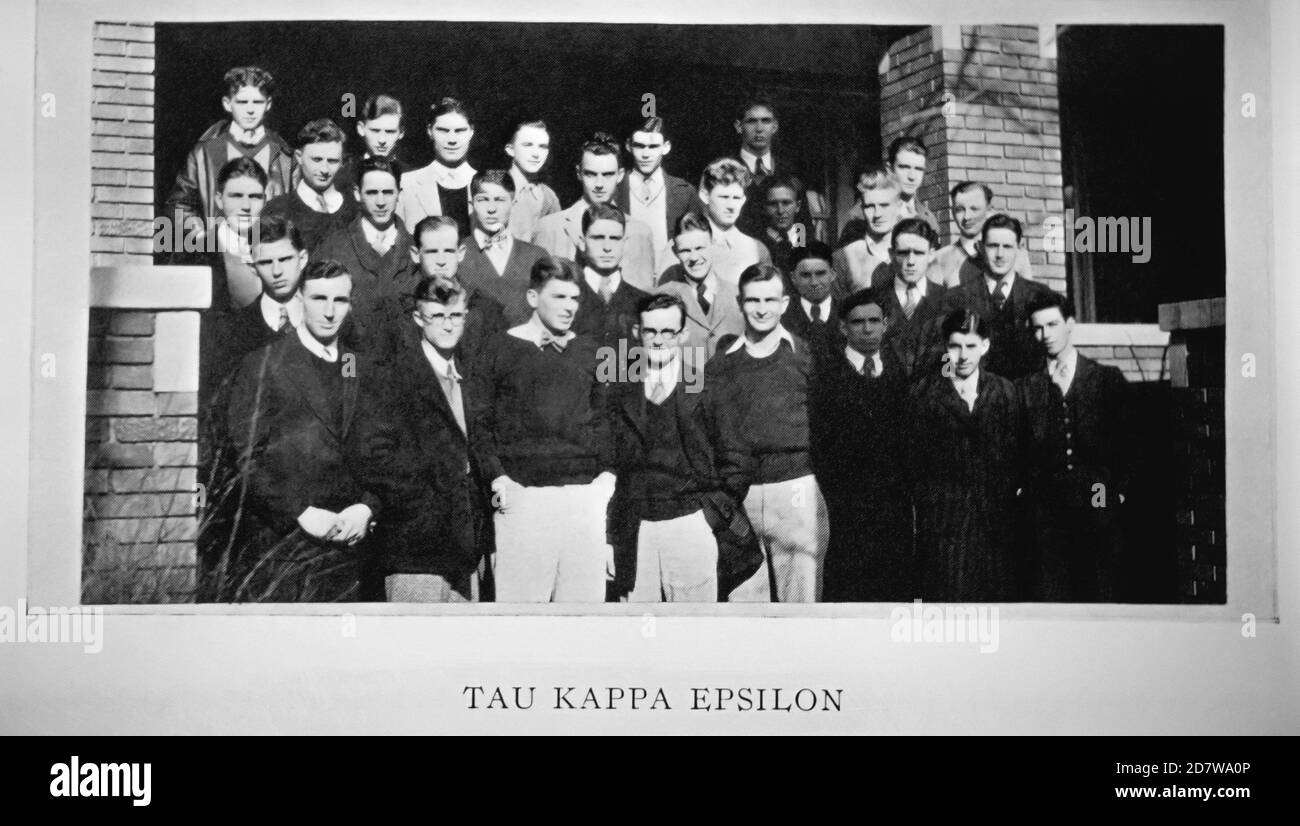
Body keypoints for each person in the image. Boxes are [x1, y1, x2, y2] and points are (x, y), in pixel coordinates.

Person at [220, 260, 385, 602]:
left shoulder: (358, 365)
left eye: (340, 300)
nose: (329, 311)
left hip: (354, 548)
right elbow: (248, 458)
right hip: (286, 548)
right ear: (299, 301)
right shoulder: (263, 363)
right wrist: (301, 513)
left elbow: (384, 448)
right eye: (318, 299)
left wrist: (368, 507)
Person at [465, 256, 616, 603]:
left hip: (583, 501)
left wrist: (605, 481)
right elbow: (480, 422)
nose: (569, 307)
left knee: (583, 621)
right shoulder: (498, 348)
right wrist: (498, 478)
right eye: (558, 297)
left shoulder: (593, 350)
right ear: (533, 298)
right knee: (522, 621)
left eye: (574, 298)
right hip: (524, 500)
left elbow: (607, 419)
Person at [701, 263, 828, 602]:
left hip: (795, 491)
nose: (761, 308)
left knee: (801, 606)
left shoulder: (805, 356)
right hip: (739, 498)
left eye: (770, 300)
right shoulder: (720, 365)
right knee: (743, 606)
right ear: (740, 302)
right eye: (753, 300)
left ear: (785, 303)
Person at [367, 277, 487, 602]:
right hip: (415, 548)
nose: (448, 326)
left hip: (466, 548)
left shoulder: (471, 373)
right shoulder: (394, 376)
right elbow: (377, 456)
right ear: (419, 318)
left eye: (456, 316)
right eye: (437, 316)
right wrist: (419, 505)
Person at [607, 292, 724, 603]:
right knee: (639, 630)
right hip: (637, 528)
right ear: (637, 333)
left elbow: (734, 458)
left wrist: (709, 518)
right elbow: (608, 462)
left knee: (694, 630)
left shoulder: (704, 386)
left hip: (689, 523)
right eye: (650, 331)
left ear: (683, 335)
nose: (658, 341)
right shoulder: (620, 390)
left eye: (667, 332)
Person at [904, 308, 1023, 602]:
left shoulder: (1004, 391)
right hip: (945, 524)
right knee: (949, 604)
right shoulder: (924, 394)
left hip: (995, 523)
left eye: (971, 346)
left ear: (985, 346)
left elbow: (1016, 452)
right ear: (945, 348)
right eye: (955, 346)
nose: (963, 355)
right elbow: (913, 460)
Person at [1018, 291, 1131, 601]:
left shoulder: (1105, 379)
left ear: (1070, 324)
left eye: (1053, 325)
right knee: (1053, 594)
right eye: (1038, 328)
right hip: (1047, 517)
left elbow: (1129, 445)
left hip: (1098, 509)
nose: (1045, 335)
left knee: (1101, 592)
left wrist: (1118, 492)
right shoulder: (1026, 388)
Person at [810, 288, 912, 601]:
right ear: (843, 328)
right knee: (849, 586)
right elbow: (820, 441)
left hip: (892, 503)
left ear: (885, 324)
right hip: (845, 503)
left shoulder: (900, 371)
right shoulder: (826, 376)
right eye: (857, 322)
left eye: (873, 321)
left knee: (893, 586)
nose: (866, 329)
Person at [164, 66, 293, 248]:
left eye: (257, 102)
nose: (250, 110)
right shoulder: (204, 153)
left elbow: (297, 211)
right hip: (220, 255)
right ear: (227, 103)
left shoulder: (284, 157)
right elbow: (179, 204)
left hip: (268, 255)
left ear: (268, 104)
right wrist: (204, 237)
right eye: (242, 102)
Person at [312, 156, 418, 358]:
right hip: (350, 361)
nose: (380, 202)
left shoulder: (417, 250)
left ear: (399, 194)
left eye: (388, 192)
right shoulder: (333, 248)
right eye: (372, 193)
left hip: (406, 370)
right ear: (357, 194)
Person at [531, 131, 657, 290]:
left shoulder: (639, 232)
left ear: (620, 175)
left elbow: (643, 298)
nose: (599, 184)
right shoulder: (549, 229)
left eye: (607, 174)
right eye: (591, 174)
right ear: (579, 173)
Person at [948, 213, 1053, 380]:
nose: (1000, 254)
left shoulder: (1041, 297)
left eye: (1007, 247)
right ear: (981, 247)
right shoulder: (957, 299)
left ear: (1019, 247)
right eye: (993, 246)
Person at [404, 214, 506, 368]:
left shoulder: (486, 308)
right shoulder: (394, 307)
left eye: (449, 251)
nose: (441, 261)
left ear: (461, 253)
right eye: (432, 252)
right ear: (415, 254)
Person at [454, 169, 551, 326]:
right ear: (472, 204)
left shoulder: (536, 256)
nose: (491, 208)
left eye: (500, 200)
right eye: (483, 199)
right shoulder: (456, 254)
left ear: (513, 203)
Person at [731, 98, 827, 242]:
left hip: (783, 258)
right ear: (739, 126)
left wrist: (799, 253)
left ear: (775, 126)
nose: (759, 128)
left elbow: (801, 222)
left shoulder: (790, 171)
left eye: (766, 121)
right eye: (751, 121)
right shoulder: (726, 170)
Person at [614, 117, 698, 276]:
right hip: (627, 279)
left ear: (666, 147)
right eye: (639, 146)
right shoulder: (614, 188)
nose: (646, 154)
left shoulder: (684, 193)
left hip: (671, 279)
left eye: (653, 146)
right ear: (628, 146)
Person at [655, 212, 745, 358]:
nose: (694, 258)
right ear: (675, 252)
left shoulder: (738, 295)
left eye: (700, 248)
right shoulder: (660, 298)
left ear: (713, 244)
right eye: (685, 251)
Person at [263, 118, 357, 254]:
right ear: (299, 157)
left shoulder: (355, 209)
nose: (324, 169)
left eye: (332, 161)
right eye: (317, 160)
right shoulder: (275, 210)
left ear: (342, 161)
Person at [878, 218, 952, 382]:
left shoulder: (949, 302)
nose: (910, 261)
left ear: (931, 254)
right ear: (891, 254)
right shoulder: (874, 300)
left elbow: (953, 366)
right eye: (903, 253)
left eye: (918, 253)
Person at [572, 203, 650, 352]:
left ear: (624, 243)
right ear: (582, 243)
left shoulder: (642, 302)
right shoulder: (568, 298)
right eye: (598, 238)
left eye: (614, 238)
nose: (607, 247)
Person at [396, 97, 476, 235]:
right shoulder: (407, 183)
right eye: (443, 130)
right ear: (429, 131)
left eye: (460, 130)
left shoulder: (489, 183)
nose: (452, 140)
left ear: (471, 131)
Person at [931, 181, 1033, 287]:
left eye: (974, 209)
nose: (967, 217)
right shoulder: (940, 259)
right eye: (959, 210)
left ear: (989, 210)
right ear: (952, 213)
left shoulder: (1016, 254)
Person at [697, 157, 772, 287]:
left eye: (736, 198)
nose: (731, 205)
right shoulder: (684, 245)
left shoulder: (757, 249)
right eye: (724, 197)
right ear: (705, 196)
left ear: (743, 200)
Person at [832, 168, 901, 294]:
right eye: (870, 206)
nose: (877, 214)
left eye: (884, 205)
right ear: (862, 208)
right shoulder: (843, 258)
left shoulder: (916, 253)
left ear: (899, 206)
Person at [780, 241, 841, 361]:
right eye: (806, 275)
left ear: (833, 274)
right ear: (793, 278)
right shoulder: (781, 316)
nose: (814, 282)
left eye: (820, 273)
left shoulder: (848, 312)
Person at [335, 93, 406, 194]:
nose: (382, 140)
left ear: (401, 133)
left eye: (390, 132)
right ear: (361, 129)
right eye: (375, 131)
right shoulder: (343, 176)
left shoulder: (410, 176)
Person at [504, 119, 561, 241]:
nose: (536, 154)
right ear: (510, 149)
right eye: (528, 145)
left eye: (542, 147)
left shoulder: (548, 197)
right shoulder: (492, 186)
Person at [759, 175, 806, 276]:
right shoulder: (757, 245)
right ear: (764, 207)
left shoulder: (806, 240)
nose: (780, 211)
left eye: (786, 203)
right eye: (773, 204)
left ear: (798, 206)